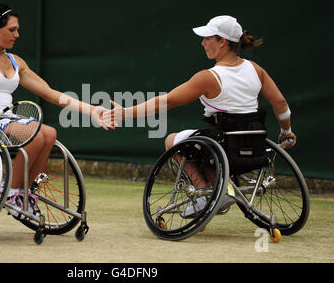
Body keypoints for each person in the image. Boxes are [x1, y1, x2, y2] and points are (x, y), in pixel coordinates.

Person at [104, 15, 296, 215]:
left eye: (208, 38)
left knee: (172, 141)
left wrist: (125, 113)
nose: (202, 42)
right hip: (254, 148)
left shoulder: (208, 77)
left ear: (222, 42)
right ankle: (219, 190)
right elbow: (281, 103)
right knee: (201, 142)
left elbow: (168, 101)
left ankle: (206, 195)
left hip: (223, 148)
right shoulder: (256, 70)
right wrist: (286, 130)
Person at [0, 3, 112, 216]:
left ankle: (25, 193)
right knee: (35, 136)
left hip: (7, 120)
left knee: (49, 133)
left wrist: (90, 110)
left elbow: (49, 92)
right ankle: (11, 192)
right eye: (12, 29)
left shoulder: (15, 62)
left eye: (17, 30)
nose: (17, 35)